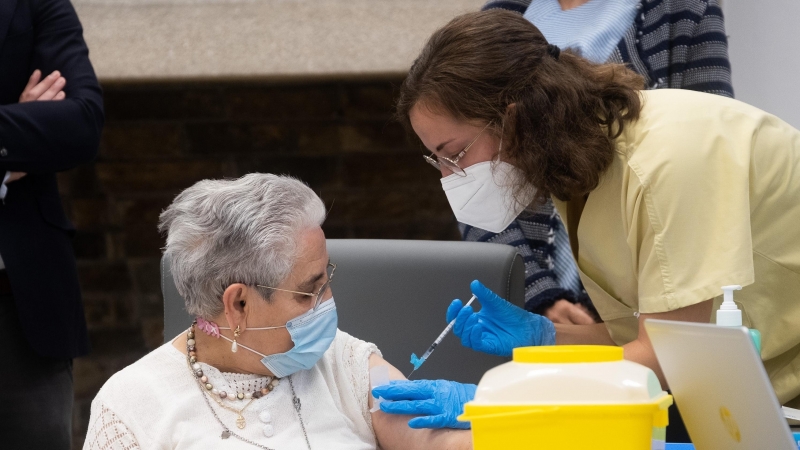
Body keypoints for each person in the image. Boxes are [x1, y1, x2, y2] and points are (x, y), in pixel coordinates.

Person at [373, 8, 800, 440]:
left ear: (514, 119)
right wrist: (547, 336)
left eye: (455, 154)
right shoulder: (579, 173)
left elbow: (673, 360)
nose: (448, 178)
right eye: (438, 161)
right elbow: (644, 339)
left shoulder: (666, 161)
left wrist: (500, 401)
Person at [83, 174, 472, 450]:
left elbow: (433, 443)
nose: (328, 302)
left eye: (327, 277)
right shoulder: (130, 406)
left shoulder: (343, 361)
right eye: (308, 292)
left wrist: (513, 414)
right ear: (237, 304)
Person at [454, 0, 734, 326]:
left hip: (647, 288)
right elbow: (473, 182)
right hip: (536, 301)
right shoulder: (499, 17)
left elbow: (708, 150)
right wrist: (539, 294)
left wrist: (605, 304)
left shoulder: (682, 8)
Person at [0, 0, 104, 448]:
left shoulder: (38, 4)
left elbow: (80, 123)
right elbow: (47, 130)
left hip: (22, 305)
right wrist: (21, 130)